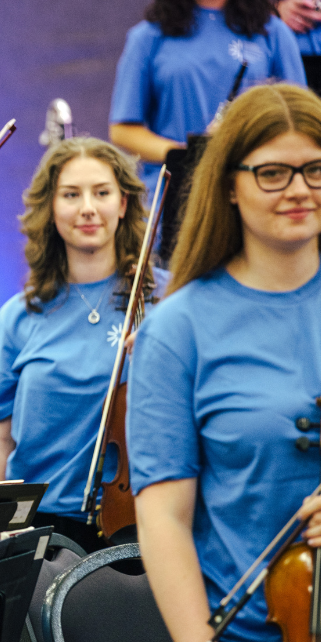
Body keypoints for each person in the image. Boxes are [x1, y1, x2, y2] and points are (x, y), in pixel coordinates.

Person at [129, 83, 321, 642]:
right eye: (272, 173)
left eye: (315, 170)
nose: (300, 190)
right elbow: (164, 519)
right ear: (230, 185)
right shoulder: (178, 328)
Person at [0, 137, 166, 552]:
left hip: (140, 520)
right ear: (51, 208)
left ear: (123, 204)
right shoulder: (18, 315)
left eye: (101, 193)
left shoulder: (168, 302)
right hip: (40, 528)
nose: (87, 207)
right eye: (71, 194)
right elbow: (1, 434)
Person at [110, 0, 306, 192]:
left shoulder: (273, 31)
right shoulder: (147, 36)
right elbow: (123, 131)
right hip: (175, 189)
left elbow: (299, 120)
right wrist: (191, 154)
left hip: (253, 184)